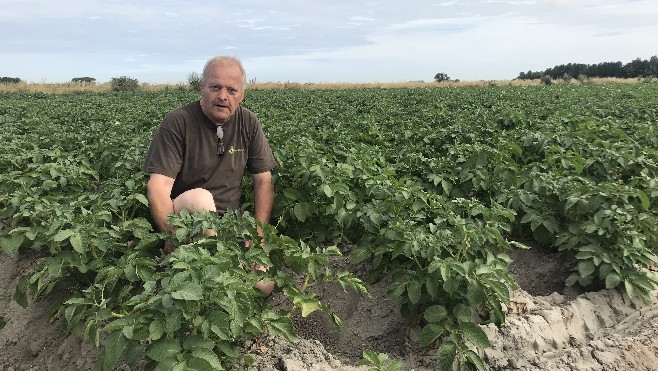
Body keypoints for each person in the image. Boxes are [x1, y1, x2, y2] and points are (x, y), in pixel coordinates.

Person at [142, 56, 277, 295]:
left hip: (230, 227)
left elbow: (264, 181)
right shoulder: (178, 122)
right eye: (215, 87)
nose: (223, 96)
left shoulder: (248, 122)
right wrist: (171, 236)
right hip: (186, 222)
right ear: (202, 87)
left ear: (242, 94)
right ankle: (182, 261)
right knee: (200, 200)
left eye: (232, 89)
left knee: (263, 285)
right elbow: (158, 187)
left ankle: (216, 278)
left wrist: (258, 234)